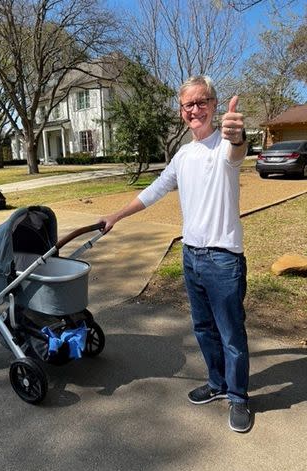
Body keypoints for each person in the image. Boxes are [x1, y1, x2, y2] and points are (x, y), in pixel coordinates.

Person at [99, 75, 251, 433]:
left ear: (214, 105)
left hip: (223, 260)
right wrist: (115, 216)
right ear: (181, 111)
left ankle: (239, 397)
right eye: (188, 105)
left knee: (231, 333)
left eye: (201, 102)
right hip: (191, 256)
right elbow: (154, 190)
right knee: (202, 328)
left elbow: (237, 152)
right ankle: (217, 384)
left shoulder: (223, 148)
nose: (195, 110)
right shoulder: (184, 155)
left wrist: (238, 135)